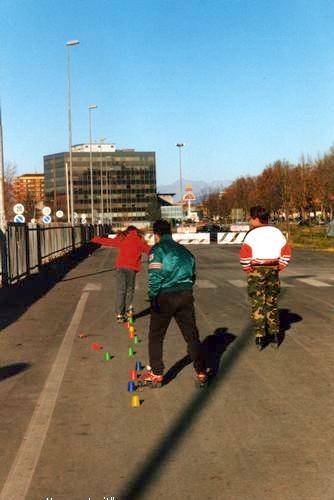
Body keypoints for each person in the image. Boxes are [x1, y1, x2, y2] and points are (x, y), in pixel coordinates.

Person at [139, 219, 207, 388]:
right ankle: (201, 371)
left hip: (165, 296)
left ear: (156, 234)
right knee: (191, 335)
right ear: (170, 232)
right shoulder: (185, 251)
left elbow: (154, 276)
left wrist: (153, 297)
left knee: (156, 335)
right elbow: (193, 274)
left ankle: (157, 373)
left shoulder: (157, 250)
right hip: (185, 294)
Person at [240, 206, 292, 350]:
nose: (250, 221)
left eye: (251, 218)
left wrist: (248, 269)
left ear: (256, 218)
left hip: (256, 269)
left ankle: (260, 336)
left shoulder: (251, 234)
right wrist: (279, 266)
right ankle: (275, 333)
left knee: (258, 303)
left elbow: (245, 255)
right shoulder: (277, 232)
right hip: (273, 269)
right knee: (272, 302)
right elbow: (286, 252)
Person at [91, 226, 150, 322]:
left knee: (121, 290)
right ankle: (128, 312)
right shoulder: (139, 239)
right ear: (136, 231)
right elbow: (149, 250)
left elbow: (109, 242)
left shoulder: (123, 237)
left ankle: (119, 314)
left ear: (127, 231)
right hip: (132, 268)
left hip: (120, 267)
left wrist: (95, 239)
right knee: (130, 290)